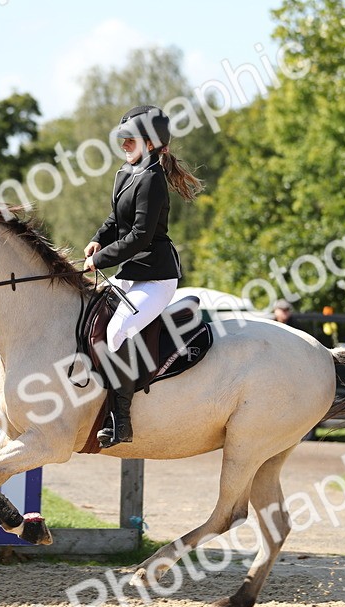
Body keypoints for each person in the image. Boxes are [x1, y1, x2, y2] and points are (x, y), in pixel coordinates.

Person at [83, 105, 202, 448]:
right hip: (130, 273)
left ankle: (121, 421)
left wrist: (101, 259)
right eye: (122, 140)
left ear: (150, 144)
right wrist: (97, 239)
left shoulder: (153, 180)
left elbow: (139, 236)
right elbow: (114, 219)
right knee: (89, 318)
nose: (124, 145)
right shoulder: (126, 172)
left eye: (130, 140)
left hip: (155, 278)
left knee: (118, 331)